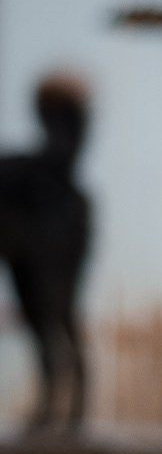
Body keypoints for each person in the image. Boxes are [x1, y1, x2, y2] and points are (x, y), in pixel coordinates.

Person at [0, 73, 94, 434]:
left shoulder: (52, 180)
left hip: (50, 223)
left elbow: (62, 155)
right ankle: (57, 408)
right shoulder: (31, 171)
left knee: (56, 313)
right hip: (32, 226)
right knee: (42, 318)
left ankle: (74, 409)